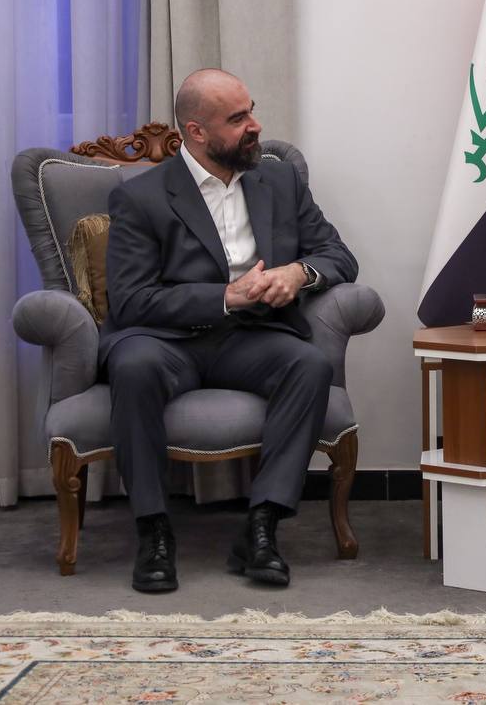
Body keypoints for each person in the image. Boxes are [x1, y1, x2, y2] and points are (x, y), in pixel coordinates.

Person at [100, 68, 358, 593]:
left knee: (310, 365)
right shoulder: (142, 198)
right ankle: (153, 531)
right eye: (238, 119)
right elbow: (130, 300)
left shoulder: (279, 181)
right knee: (133, 367)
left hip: (248, 337)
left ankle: (262, 527)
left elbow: (338, 255)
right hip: (164, 339)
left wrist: (298, 273)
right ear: (197, 132)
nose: (255, 126)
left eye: (251, 111)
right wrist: (226, 296)